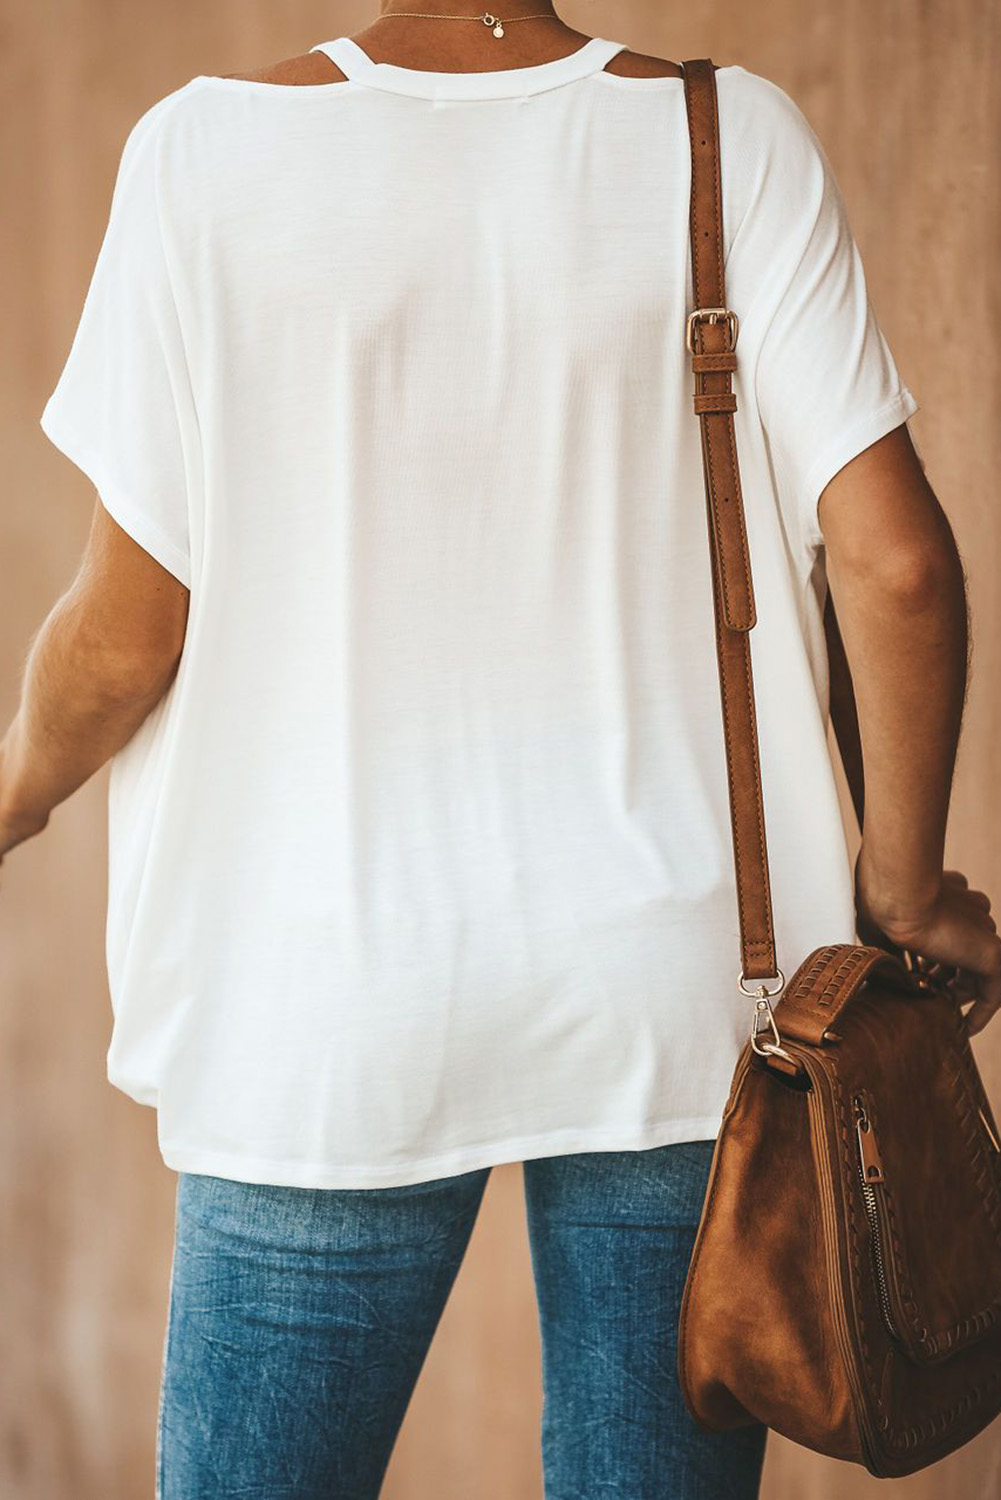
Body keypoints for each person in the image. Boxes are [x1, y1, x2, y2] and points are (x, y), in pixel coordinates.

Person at [5, 4, 998, 1497]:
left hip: (319, 994)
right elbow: (898, 566)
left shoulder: (205, 156)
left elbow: (127, 635)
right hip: (674, 990)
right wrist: (904, 888)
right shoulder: (723, 141)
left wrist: (13, 791)